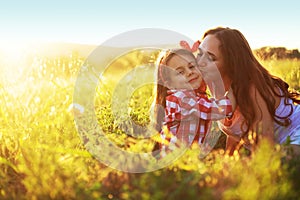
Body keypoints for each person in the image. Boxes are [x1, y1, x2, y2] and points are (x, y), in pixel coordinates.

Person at [195, 27, 300, 156]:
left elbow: (264, 146)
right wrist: (228, 160)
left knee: (285, 162)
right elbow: (234, 132)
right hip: (278, 145)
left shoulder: (252, 89)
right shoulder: (216, 90)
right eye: (199, 54)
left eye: (211, 58)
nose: (200, 62)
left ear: (231, 63)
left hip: (296, 132)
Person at [152, 48, 234, 158]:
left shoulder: (193, 96)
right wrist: (236, 86)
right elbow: (221, 109)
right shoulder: (182, 98)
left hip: (185, 159)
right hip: (177, 161)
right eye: (180, 72)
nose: (189, 72)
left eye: (191, 67)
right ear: (170, 84)